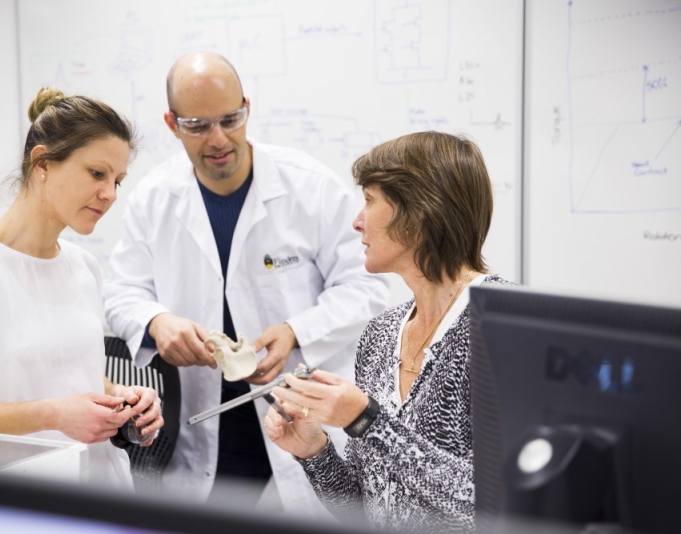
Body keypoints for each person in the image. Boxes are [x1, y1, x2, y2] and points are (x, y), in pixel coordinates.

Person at [101, 51, 389, 514]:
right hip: (204, 423)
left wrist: (297, 331)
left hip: (302, 415)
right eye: (197, 125)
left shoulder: (309, 188)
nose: (218, 139)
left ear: (247, 108)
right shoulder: (153, 199)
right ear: (172, 124)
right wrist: (157, 321)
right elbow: (121, 292)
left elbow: (368, 288)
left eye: (230, 119)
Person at [0, 87, 164, 490]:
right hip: (18, 499)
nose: (110, 194)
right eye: (97, 174)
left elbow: (69, 377)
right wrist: (53, 415)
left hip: (103, 490)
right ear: (42, 163)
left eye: (118, 180)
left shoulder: (84, 267)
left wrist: (123, 399)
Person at [264, 131, 514, 532]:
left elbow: (498, 505)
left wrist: (366, 420)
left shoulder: (505, 327)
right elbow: (365, 509)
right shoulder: (380, 335)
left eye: (369, 201)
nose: (357, 222)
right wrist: (314, 451)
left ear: (418, 215)